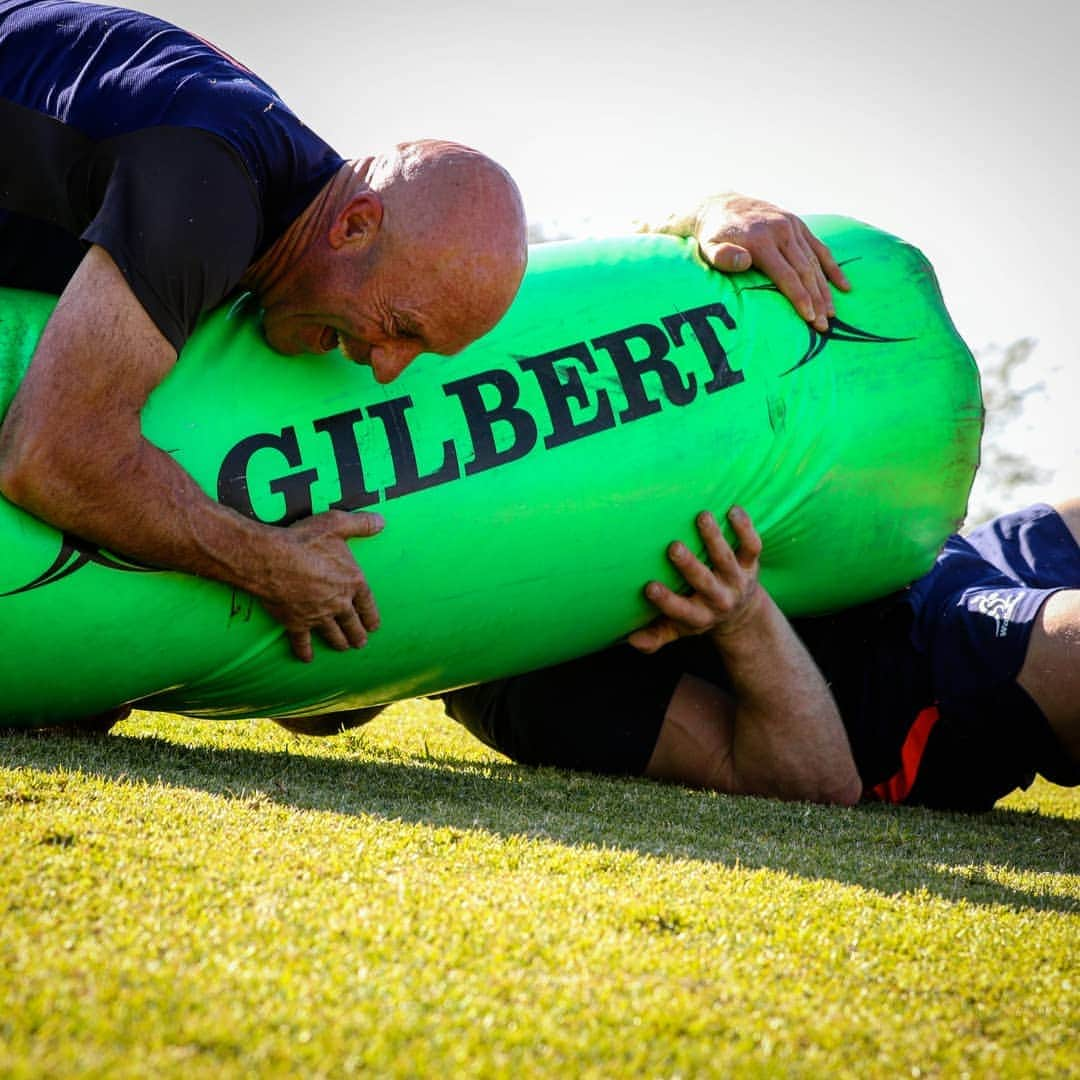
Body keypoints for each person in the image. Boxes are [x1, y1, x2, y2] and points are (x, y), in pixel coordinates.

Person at [0, 1, 847, 668]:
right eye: (398, 327)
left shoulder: (305, 202)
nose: (383, 366)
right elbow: (52, 451)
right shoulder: (212, 192)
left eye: (418, 350)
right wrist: (268, 564)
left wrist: (705, 214)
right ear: (355, 226)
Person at [437, 502, 1079, 812]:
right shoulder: (522, 686)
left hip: (952, 552)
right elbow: (818, 786)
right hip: (922, 666)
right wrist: (744, 618)